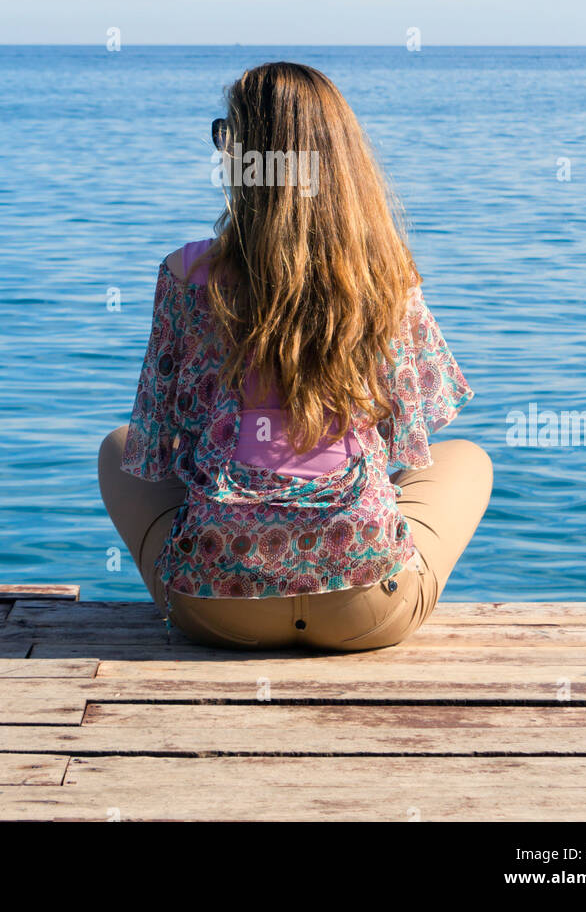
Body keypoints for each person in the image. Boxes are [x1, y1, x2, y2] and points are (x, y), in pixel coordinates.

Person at [98, 61, 492, 651]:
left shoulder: (185, 275)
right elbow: (416, 424)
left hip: (218, 605)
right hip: (364, 605)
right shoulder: (385, 275)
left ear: (244, 159)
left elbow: (160, 440)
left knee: (117, 445)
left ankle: (228, 564)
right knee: (467, 460)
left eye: (225, 137)